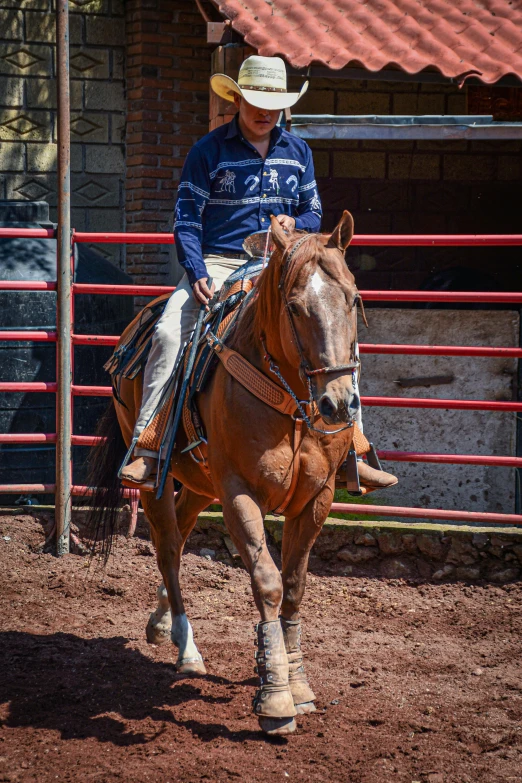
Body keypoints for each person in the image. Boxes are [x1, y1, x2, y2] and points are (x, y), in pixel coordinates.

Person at [121, 55, 397, 494]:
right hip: (219, 261)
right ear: (237, 98)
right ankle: (148, 448)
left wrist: (298, 225)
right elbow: (187, 219)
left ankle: (352, 451)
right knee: (171, 333)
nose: (264, 112)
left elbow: (313, 210)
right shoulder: (207, 151)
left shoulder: (298, 151)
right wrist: (194, 271)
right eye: (255, 101)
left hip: (280, 265)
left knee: (338, 332)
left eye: (274, 103)